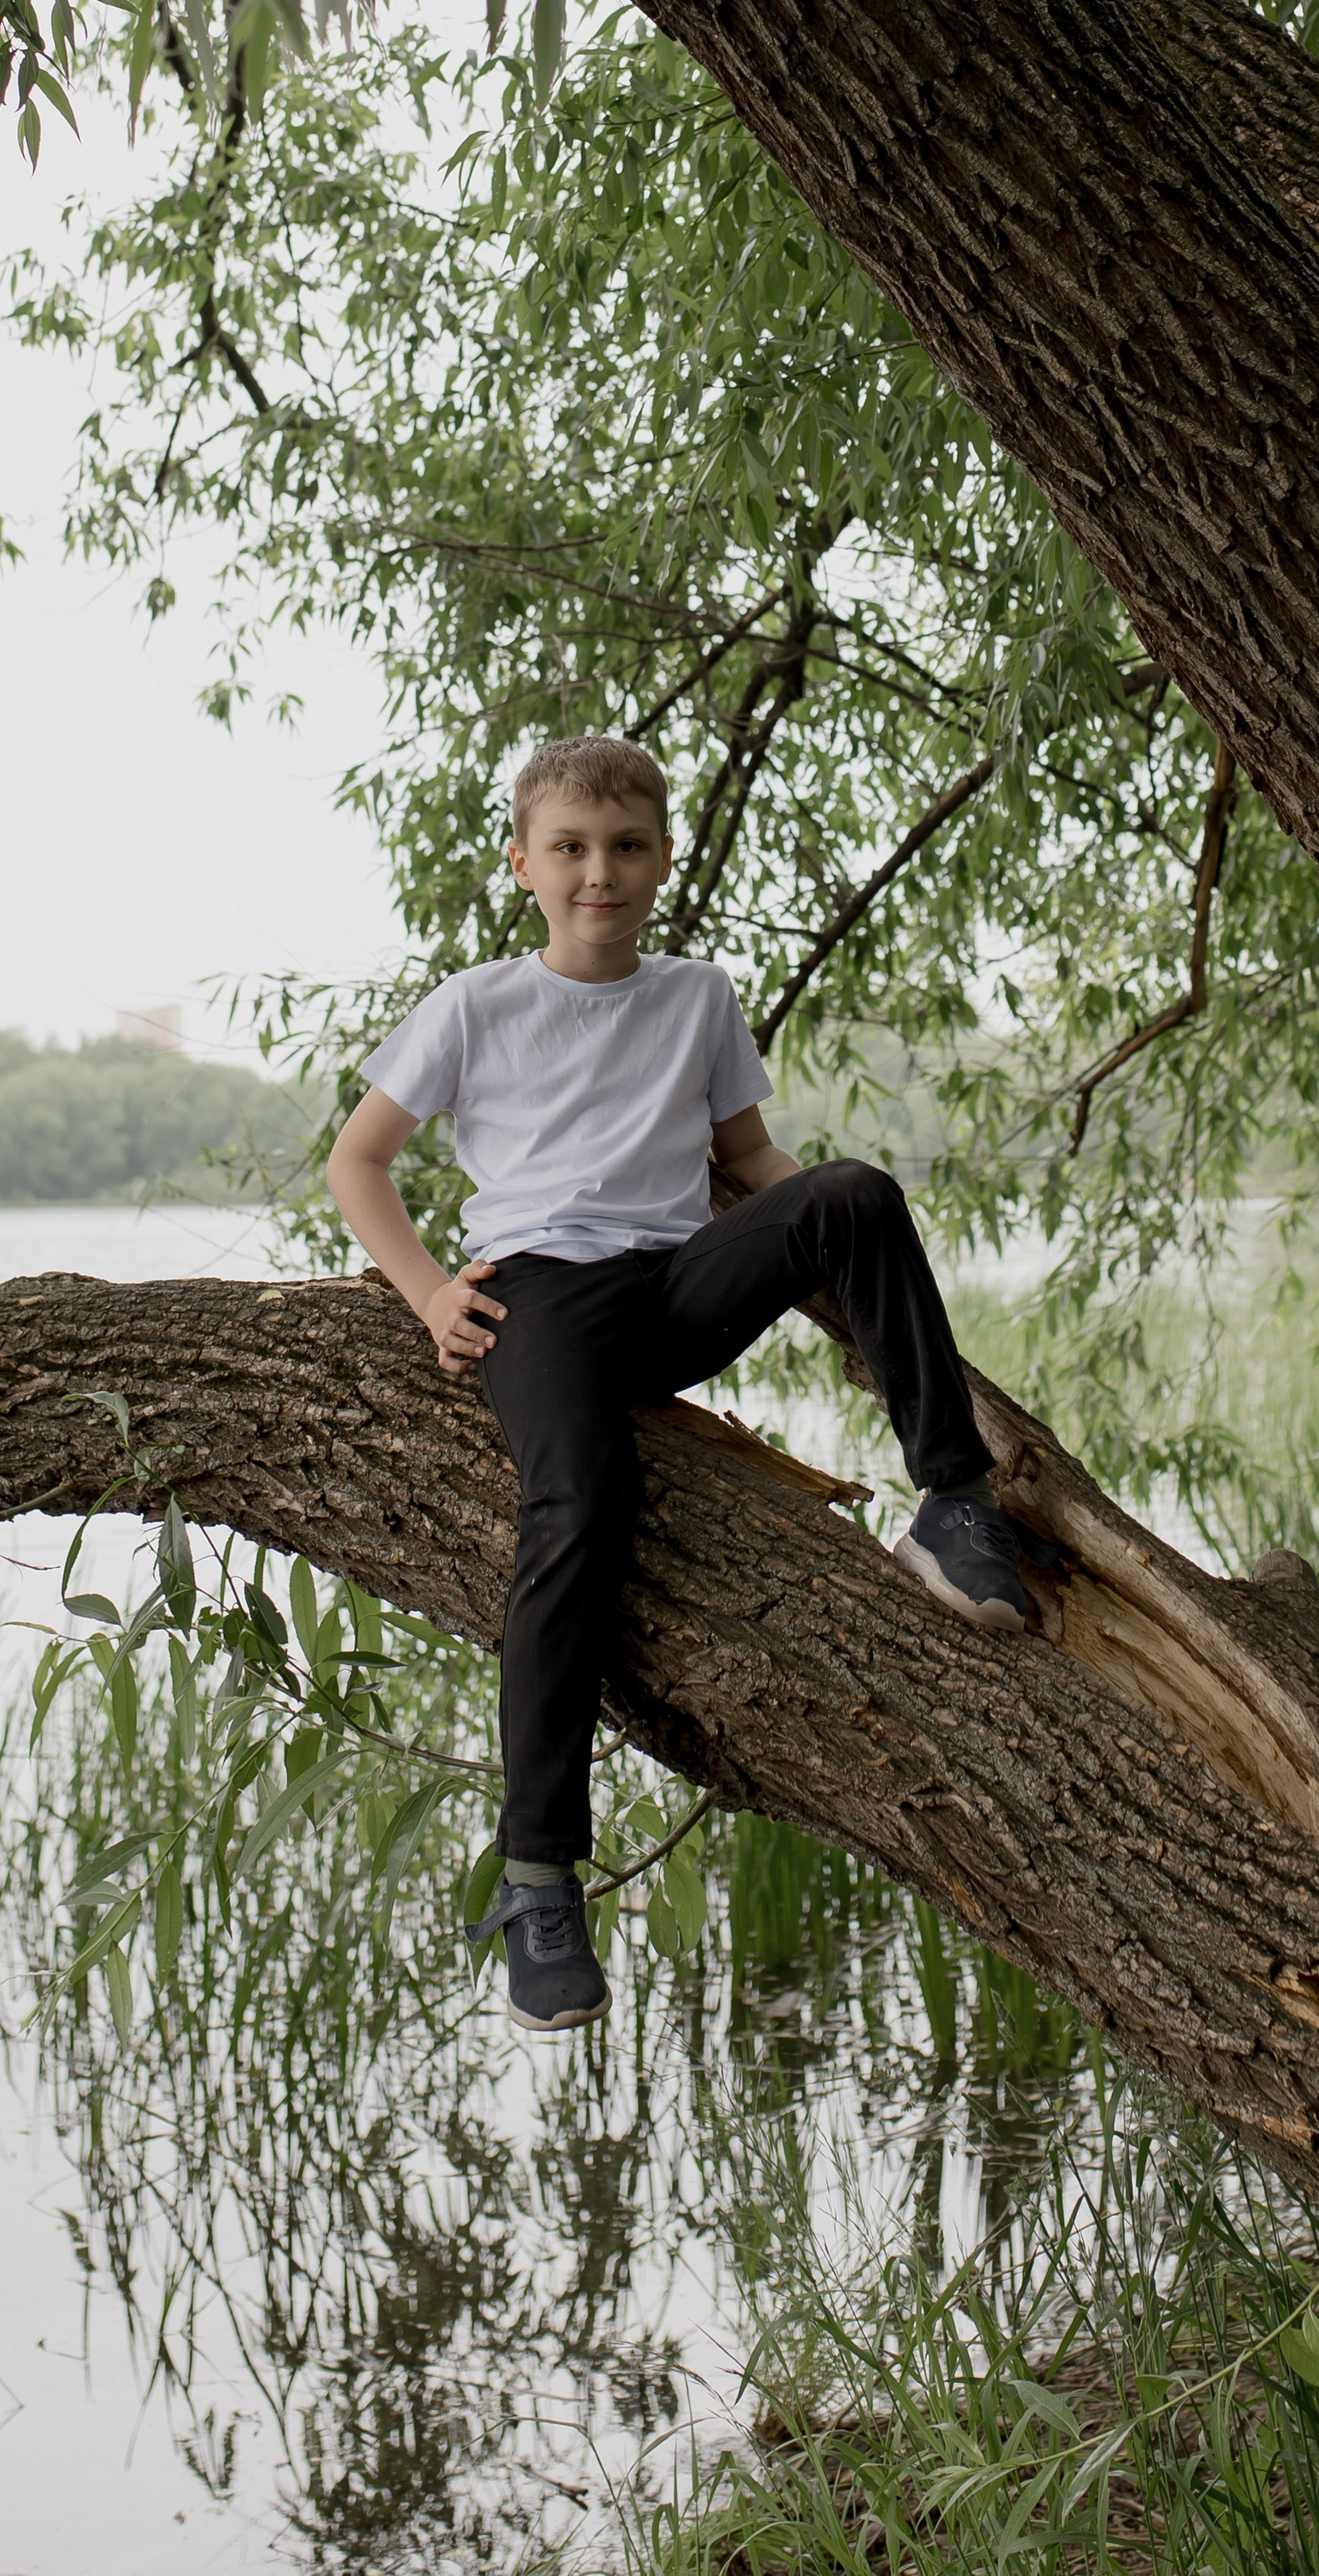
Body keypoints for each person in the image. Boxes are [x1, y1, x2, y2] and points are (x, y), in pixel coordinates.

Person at [325, 735, 1042, 2034]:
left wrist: (849, 1234)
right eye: (571, 849)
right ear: (525, 866)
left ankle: (953, 1504)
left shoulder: (699, 997)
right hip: (538, 1296)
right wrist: (430, 1290)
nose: (601, 872)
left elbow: (750, 1157)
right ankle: (540, 1877)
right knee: (579, 1515)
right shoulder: (478, 1005)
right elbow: (357, 1164)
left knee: (854, 1190)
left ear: (662, 858)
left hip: (672, 1289)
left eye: (627, 846)